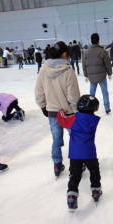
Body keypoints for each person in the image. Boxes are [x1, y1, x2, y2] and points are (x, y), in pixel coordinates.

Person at [35, 41, 80, 177]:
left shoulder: (43, 69)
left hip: (53, 113)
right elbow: (73, 97)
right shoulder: (68, 71)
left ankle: (57, 164)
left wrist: (43, 107)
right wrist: (78, 112)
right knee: (75, 139)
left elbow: (39, 92)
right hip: (69, 113)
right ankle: (77, 165)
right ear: (65, 54)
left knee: (56, 139)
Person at [58, 95, 102, 211]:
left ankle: (72, 195)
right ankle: (96, 190)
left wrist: (61, 111)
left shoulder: (74, 119)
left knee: (75, 175)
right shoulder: (94, 120)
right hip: (90, 153)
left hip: (75, 154)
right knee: (94, 171)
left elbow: (62, 120)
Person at [82, 33, 112, 114]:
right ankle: (107, 108)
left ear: (91, 41)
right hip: (102, 76)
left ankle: (90, 108)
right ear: (98, 41)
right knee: (104, 92)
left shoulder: (86, 52)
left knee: (92, 94)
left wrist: (86, 75)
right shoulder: (102, 51)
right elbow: (107, 64)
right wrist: (109, 73)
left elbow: (84, 65)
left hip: (92, 77)